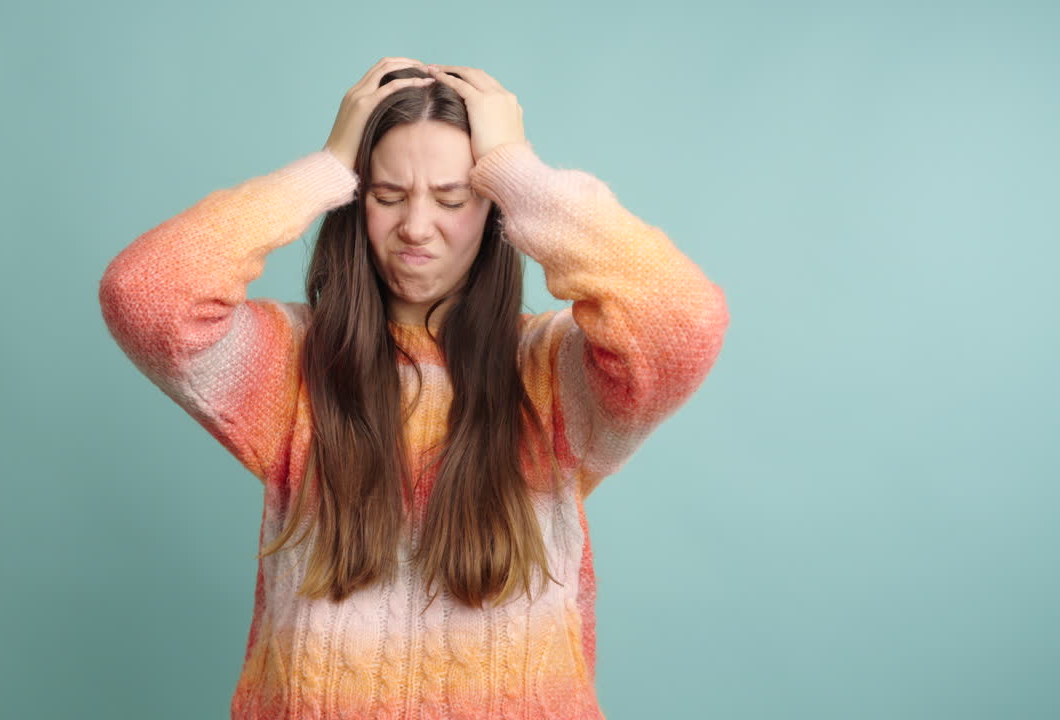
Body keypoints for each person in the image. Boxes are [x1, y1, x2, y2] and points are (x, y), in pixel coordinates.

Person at [99, 57, 729, 720]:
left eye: (454, 199)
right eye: (388, 195)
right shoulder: (295, 364)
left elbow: (683, 323)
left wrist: (518, 169)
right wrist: (327, 167)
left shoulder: (555, 373)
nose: (417, 228)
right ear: (355, 199)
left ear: (494, 212)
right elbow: (146, 295)